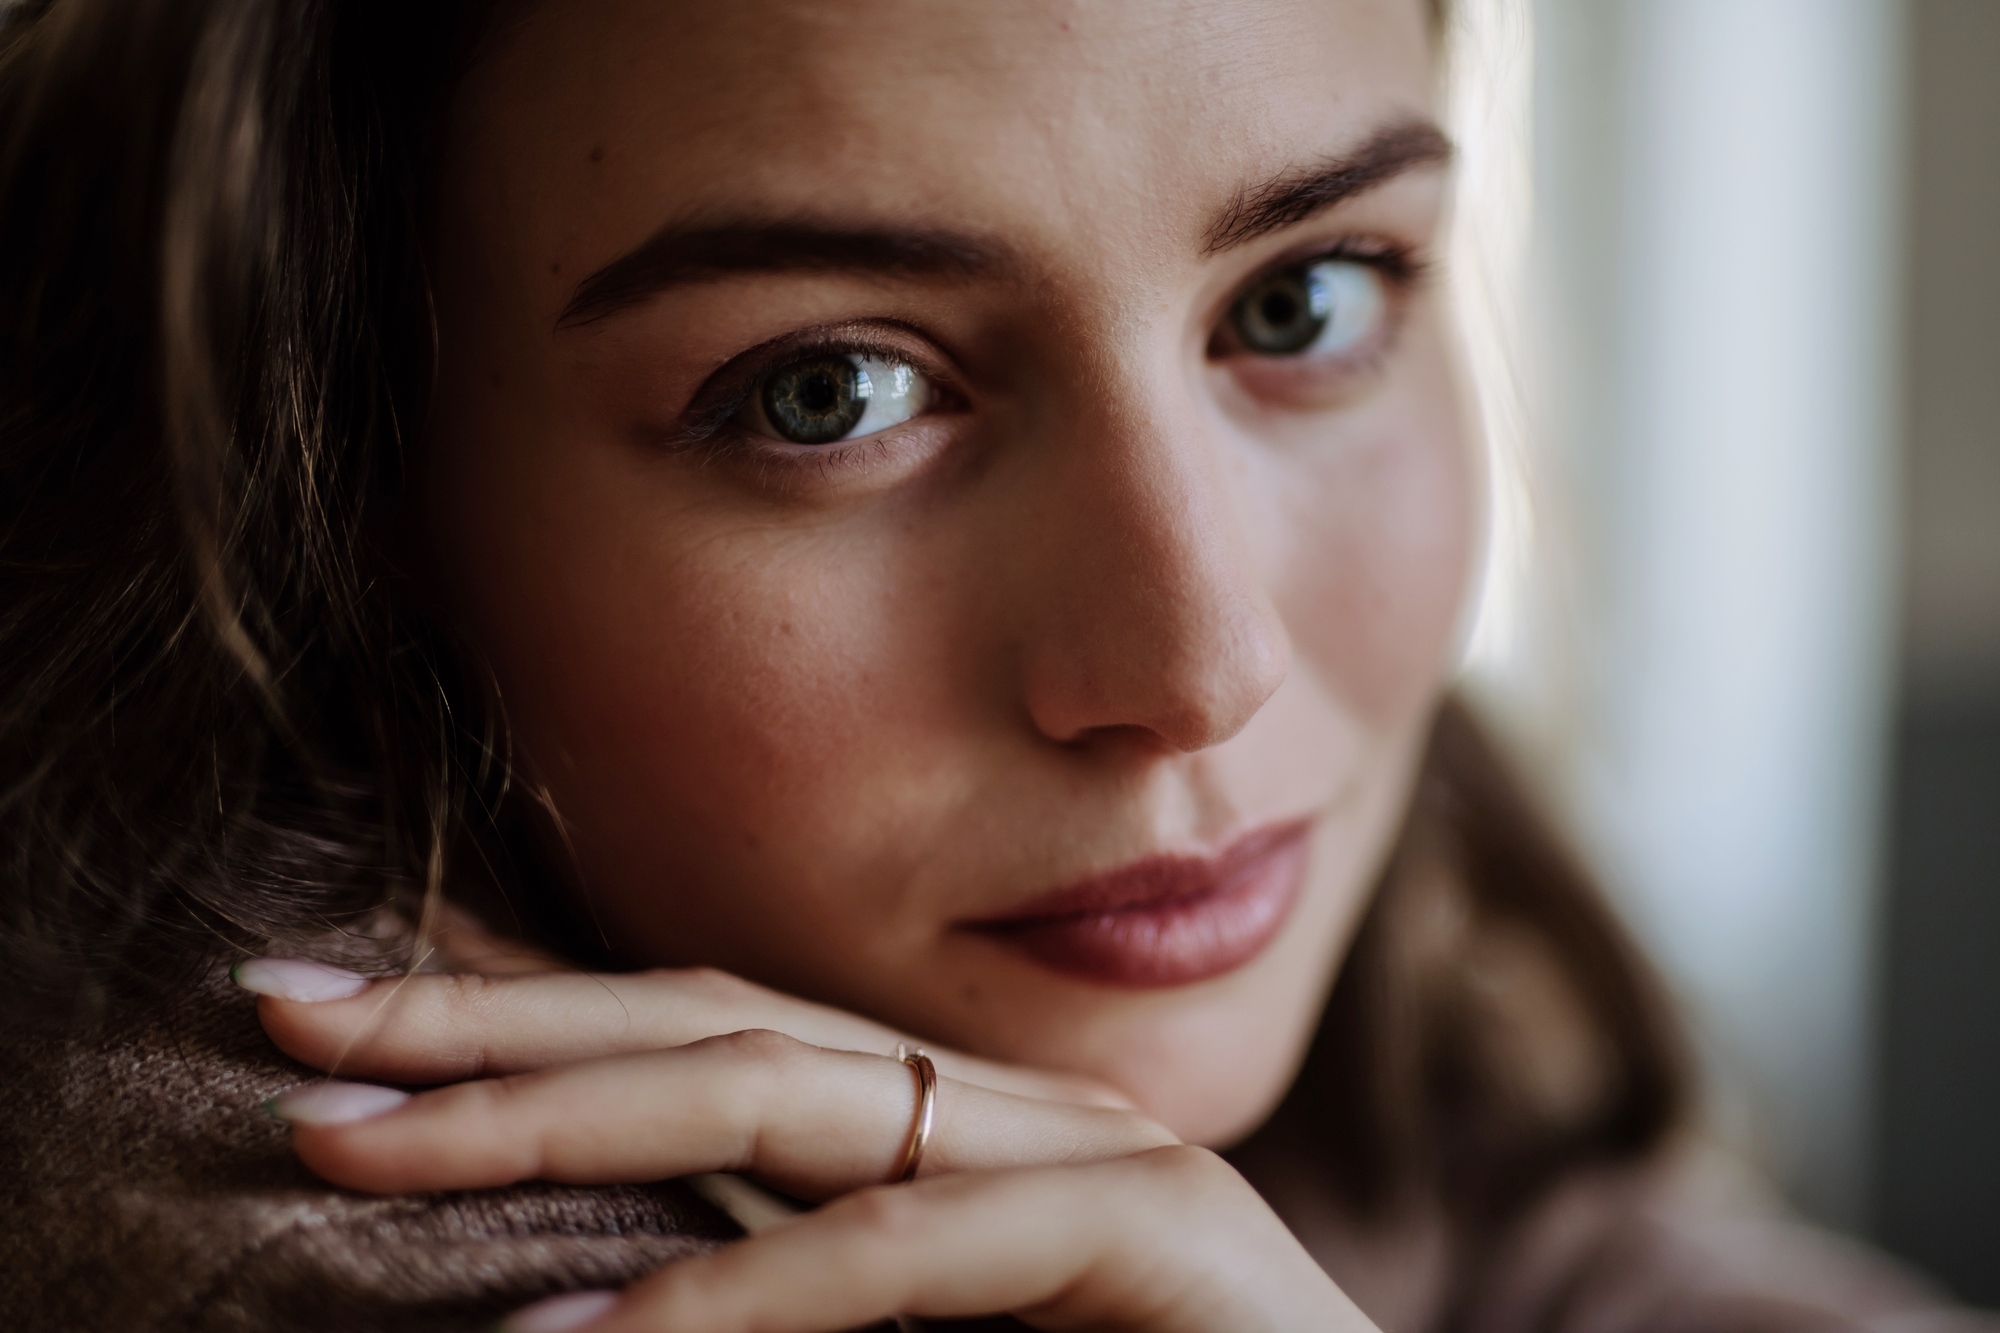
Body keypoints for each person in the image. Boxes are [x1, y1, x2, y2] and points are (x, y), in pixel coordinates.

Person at [0, 1, 1983, 1329]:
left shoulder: (1439, 1026)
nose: (1201, 667)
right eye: (825, 390)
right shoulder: (278, 1191)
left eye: (1302, 296)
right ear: (340, 484)